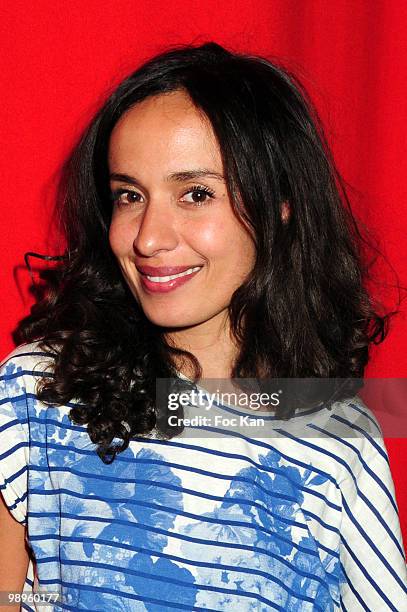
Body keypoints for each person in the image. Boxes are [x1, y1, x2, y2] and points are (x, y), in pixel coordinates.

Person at [0, 41, 406, 611]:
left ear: (280, 204)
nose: (148, 237)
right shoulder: (40, 388)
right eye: (129, 195)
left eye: (195, 194)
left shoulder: (338, 437)